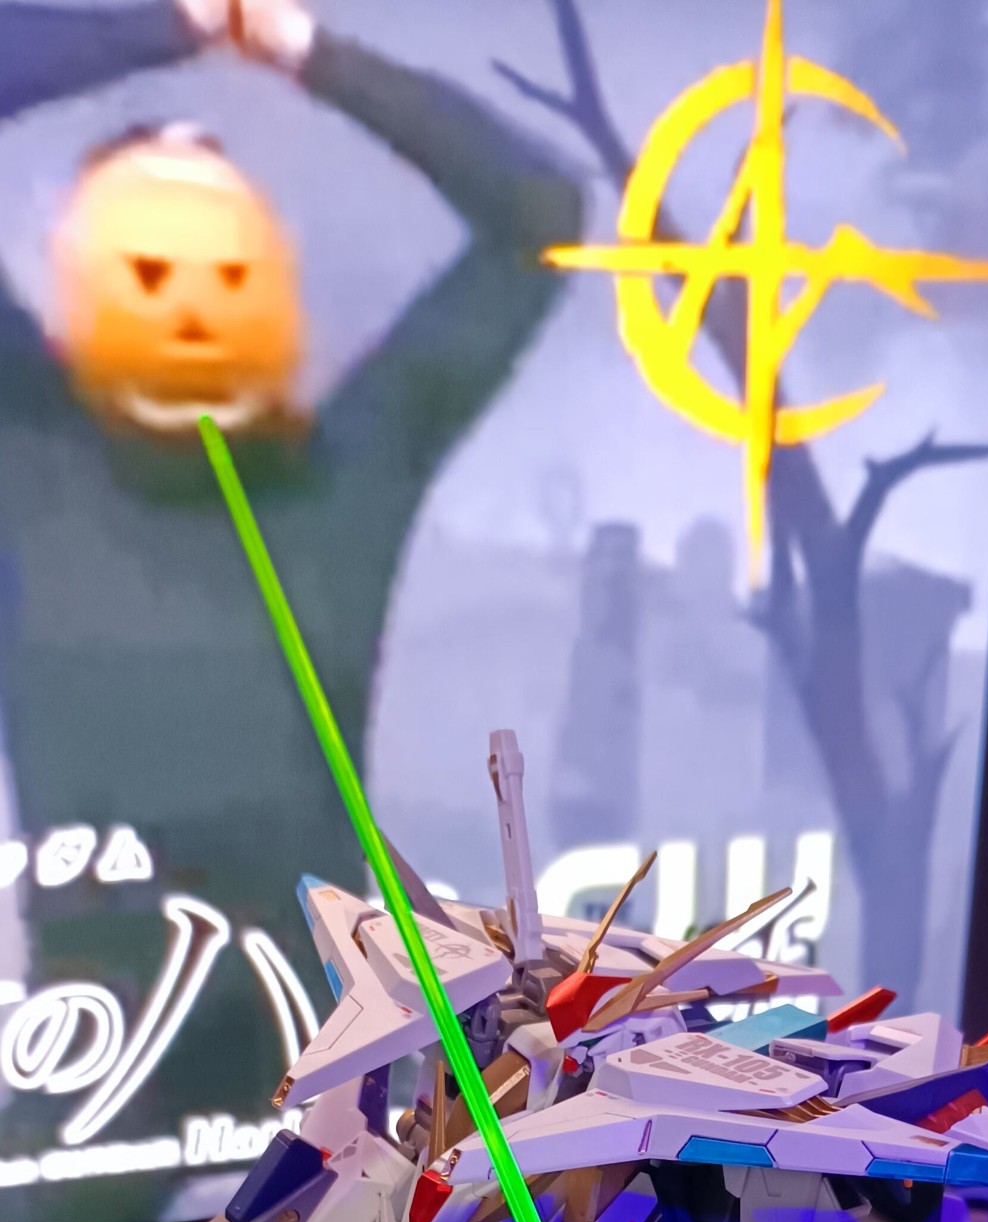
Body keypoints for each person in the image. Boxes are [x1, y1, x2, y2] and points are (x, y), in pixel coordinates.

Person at [0, 0, 580, 1137]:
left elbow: (539, 214)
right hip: (103, 1057)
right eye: (149, 269)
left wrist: (306, 50)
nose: (190, 309)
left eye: (226, 270)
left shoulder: (345, 469)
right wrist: (167, 25)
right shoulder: (36, 452)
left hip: (327, 1042)